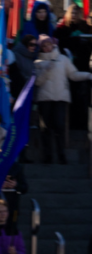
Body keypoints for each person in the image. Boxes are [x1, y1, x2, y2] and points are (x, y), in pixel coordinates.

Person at [34, 33, 92, 164]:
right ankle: (47, 156)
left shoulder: (63, 59)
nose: (47, 48)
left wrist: (88, 75)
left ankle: (61, 155)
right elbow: (37, 82)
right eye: (44, 46)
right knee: (45, 128)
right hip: (45, 98)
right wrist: (46, 70)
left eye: (49, 45)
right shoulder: (37, 62)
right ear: (41, 48)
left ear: (53, 44)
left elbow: (73, 75)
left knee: (60, 126)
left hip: (61, 97)